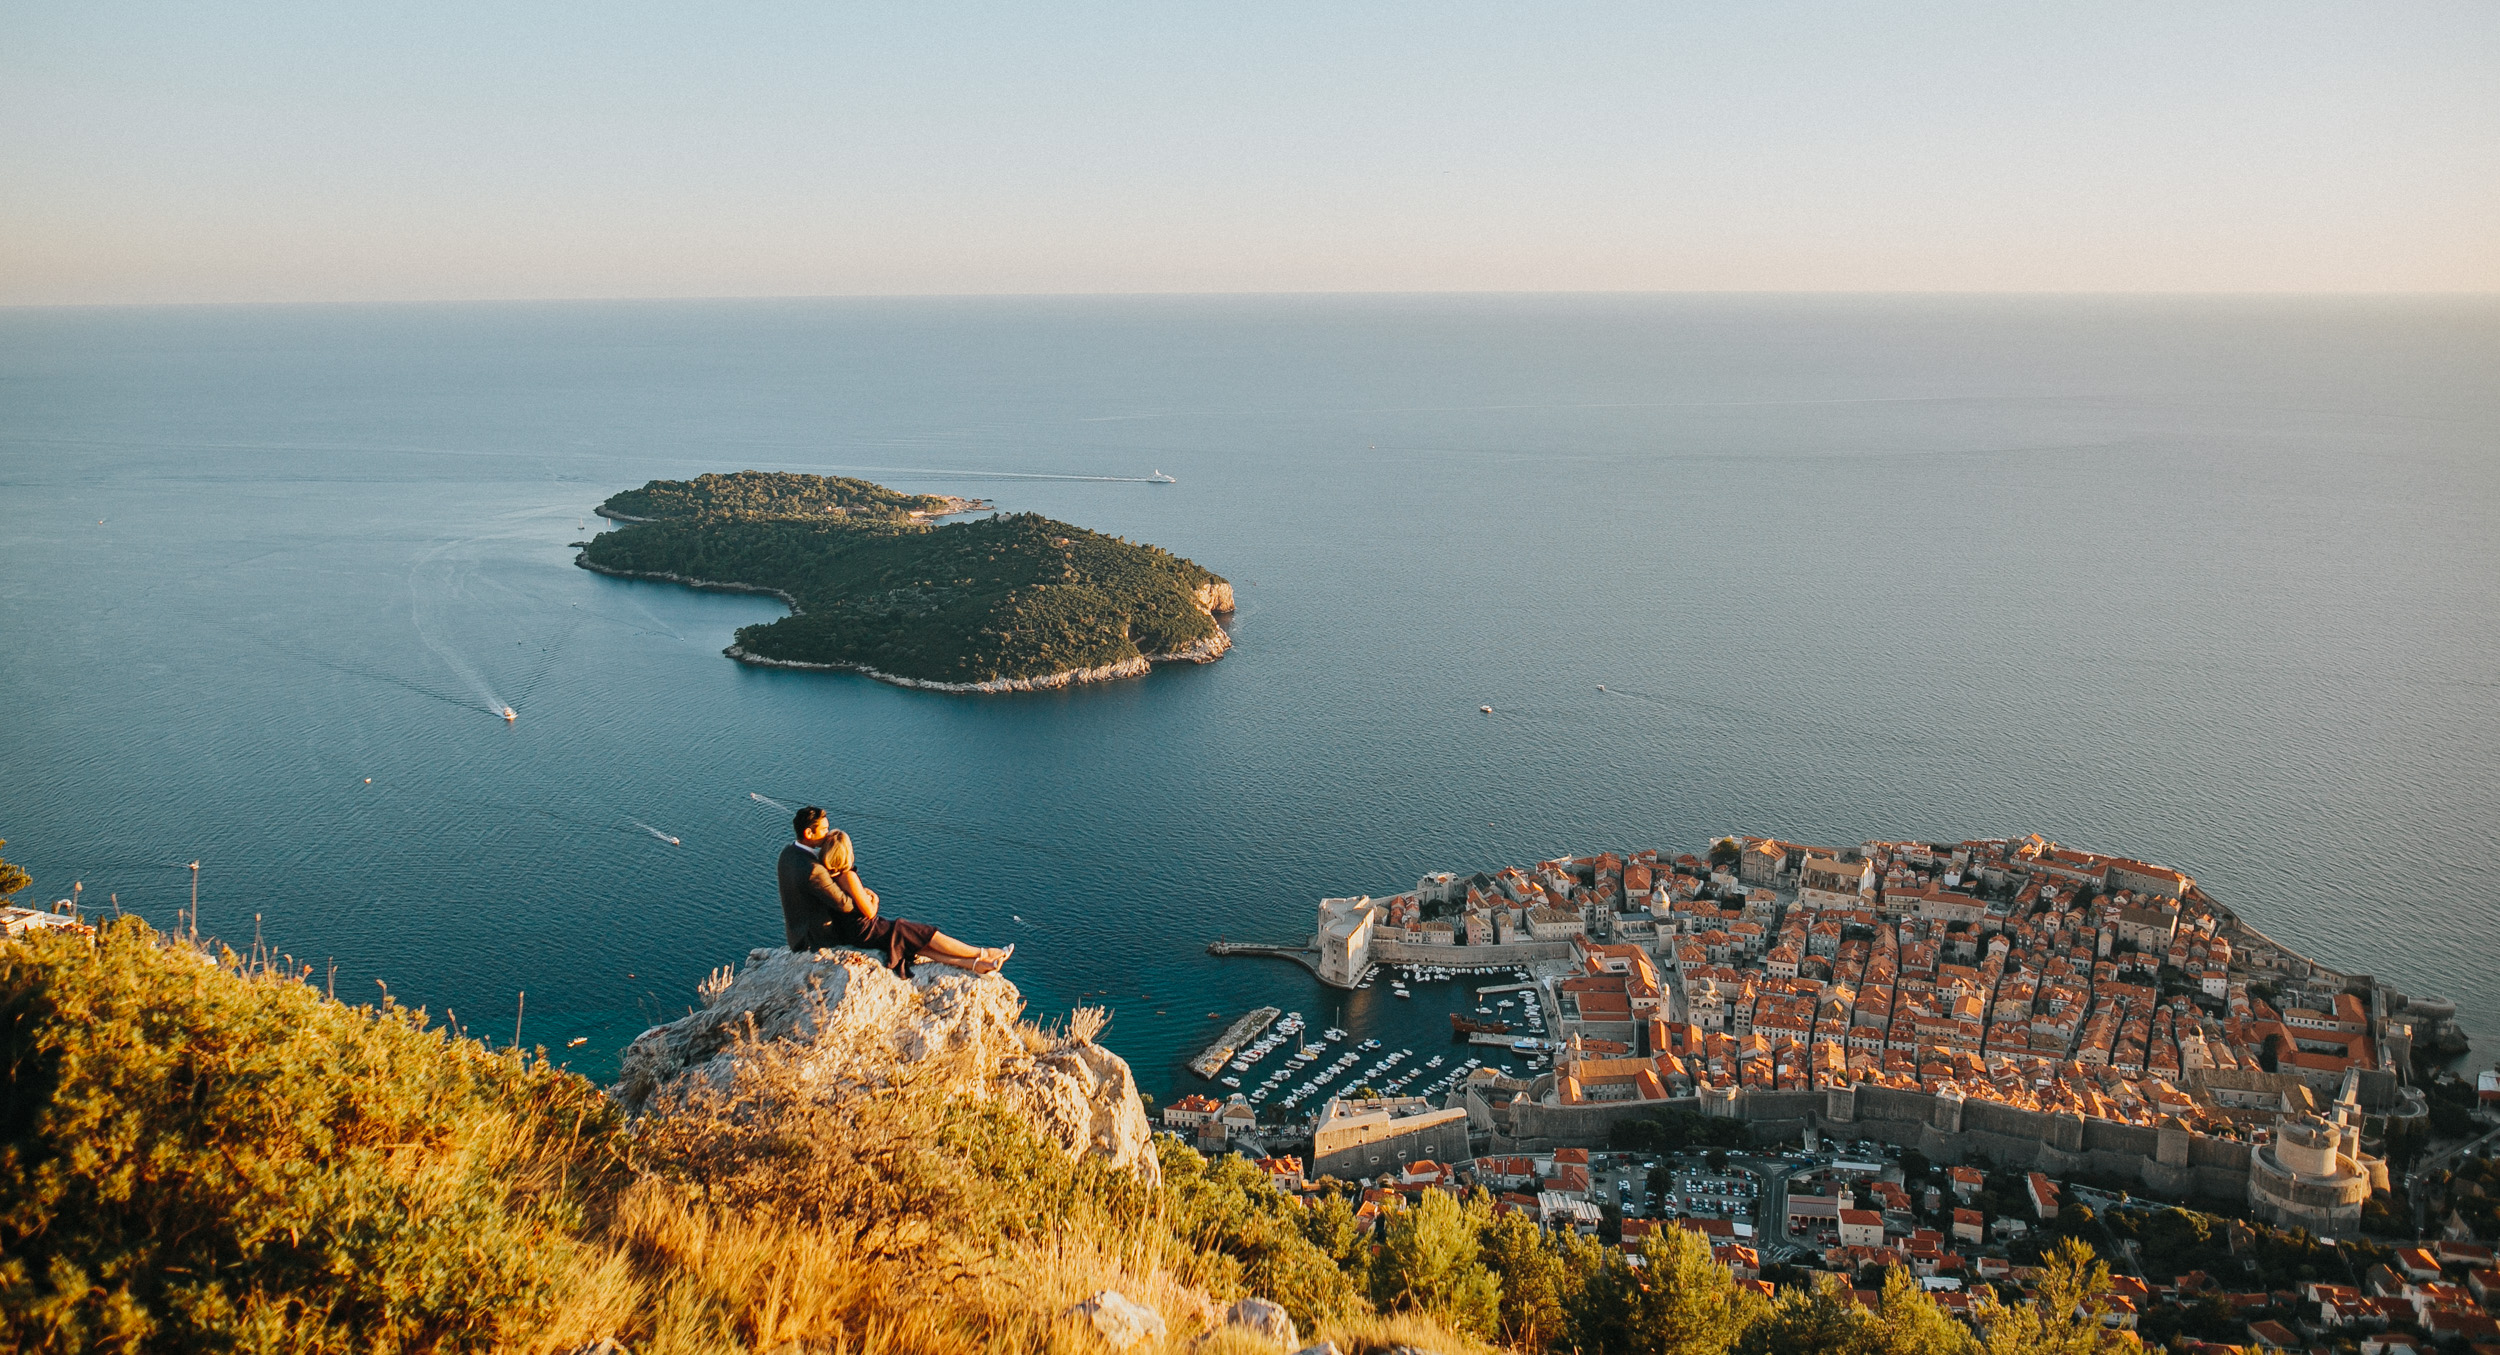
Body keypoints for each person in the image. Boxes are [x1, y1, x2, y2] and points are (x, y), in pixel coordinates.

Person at [776, 806, 1010, 979]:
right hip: (821, 937)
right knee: (926, 934)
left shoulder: (789, 853)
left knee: (914, 941)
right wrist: (869, 896)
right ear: (809, 833)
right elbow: (849, 905)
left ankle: (977, 965)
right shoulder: (815, 870)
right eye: (824, 829)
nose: (827, 834)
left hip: (803, 932)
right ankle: (985, 952)